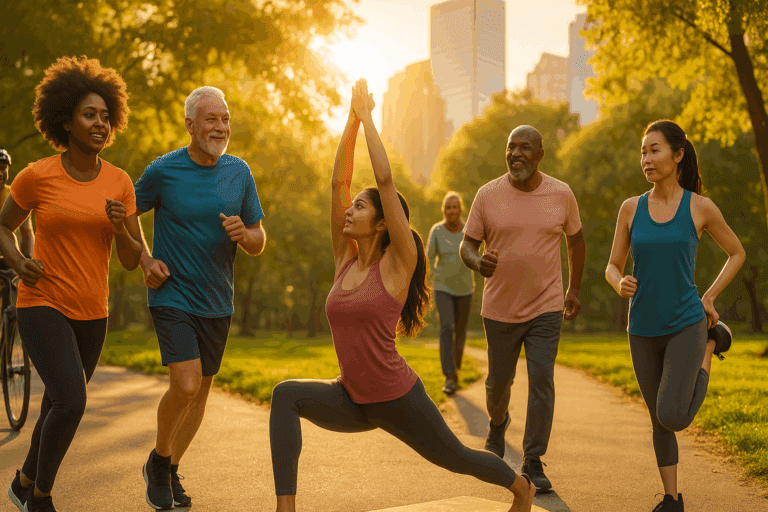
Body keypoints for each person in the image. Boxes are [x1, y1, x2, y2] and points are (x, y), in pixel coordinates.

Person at [269, 79, 537, 512]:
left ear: (381, 223)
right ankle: (286, 509)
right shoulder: (344, 258)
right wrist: (351, 121)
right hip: (352, 399)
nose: (349, 209)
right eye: (351, 205)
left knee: (457, 459)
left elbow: (385, 179)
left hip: (398, 399)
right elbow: (338, 183)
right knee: (286, 395)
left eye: (361, 206)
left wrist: (370, 118)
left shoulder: (398, 263)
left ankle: (520, 487)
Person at [1, 56, 141, 512]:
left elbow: (130, 259)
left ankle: (22, 480)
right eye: (89, 114)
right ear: (66, 120)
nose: (100, 123)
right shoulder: (37, 175)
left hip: (92, 313)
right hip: (42, 302)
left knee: (58, 404)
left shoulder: (120, 182)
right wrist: (20, 261)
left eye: (105, 115)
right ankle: (40, 497)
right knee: (71, 400)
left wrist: (122, 229)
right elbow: (3, 227)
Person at [134, 85, 266, 510]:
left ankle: (169, 467)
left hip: (217, 300)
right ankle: (158, 463)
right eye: (212, 119)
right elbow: (122, 215)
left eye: (225, 119)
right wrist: (145, 259)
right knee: (186, 384)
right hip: (172, 294)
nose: (221, 127)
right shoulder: (163, 171)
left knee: (201, 393)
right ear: (191, 125)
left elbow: (259, 238)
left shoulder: (239, 172)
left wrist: (245, 235)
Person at [605, 120, 745, 512]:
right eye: (643, 152)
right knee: (658, 420)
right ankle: (672, 499)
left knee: (672, 415)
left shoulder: (699, 207)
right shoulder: (631, 208)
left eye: (655, 150)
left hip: (687, 323)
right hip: (641, 328)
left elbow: (737, 252)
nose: (646, 159)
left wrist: (710, 296)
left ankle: (712, 343)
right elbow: (612, 265)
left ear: (677, 154)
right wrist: (618, 283)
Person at [460, 125, 586, 494]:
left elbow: (576, 242)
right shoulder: (487, 195)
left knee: (542, 381)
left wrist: (573, 288)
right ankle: (497, 425)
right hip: (499, 308)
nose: (516, 154)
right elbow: (467, 244)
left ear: (540, 155)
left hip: (546, 307)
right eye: (510, 147)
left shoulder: (561, 194)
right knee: (498, 383)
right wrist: (475, 261)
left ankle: (532, 459)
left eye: (525, 148)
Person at [426, 191, 475, 395]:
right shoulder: (436, 231)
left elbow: (478, 253)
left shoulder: (470, 229)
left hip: (465, 288)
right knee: (447, 327)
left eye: (455, 207)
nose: (451, 211)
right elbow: (428, 259)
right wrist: (426, 283)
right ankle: (449, 376)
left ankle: (455, 369)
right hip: (442, 287)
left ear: (460, 209)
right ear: (443, 210)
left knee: (461, 331)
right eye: (448, 207)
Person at [0, 148, 35, 306]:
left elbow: (27, 231)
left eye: (3, 168)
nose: (0, 173)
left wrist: (29, 259)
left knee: (14, 303)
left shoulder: (14, 195)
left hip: (10, 260)